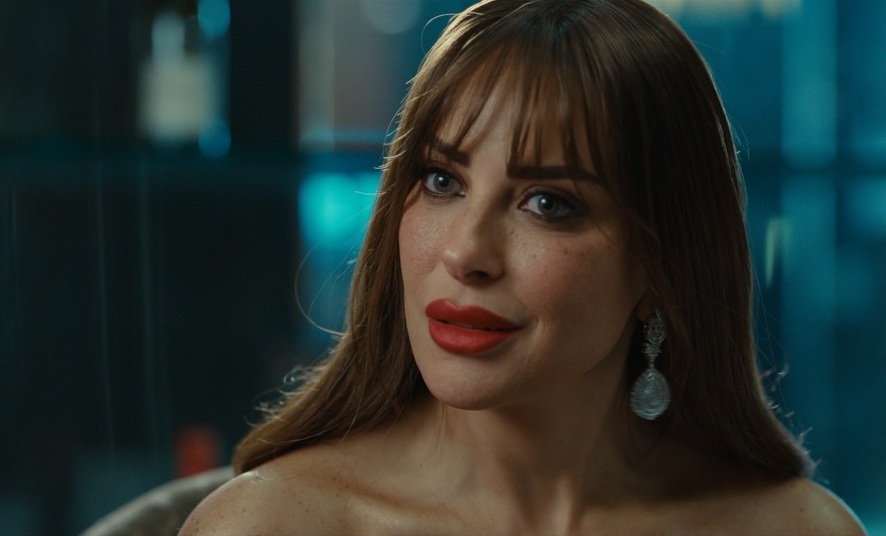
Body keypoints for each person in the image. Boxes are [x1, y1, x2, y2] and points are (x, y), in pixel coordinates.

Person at [181, 0, 866, 534]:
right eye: (442, 180)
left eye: (547, 203)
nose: (466, 254)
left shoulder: (799, 530)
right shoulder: (268, 526)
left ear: (662, 268)